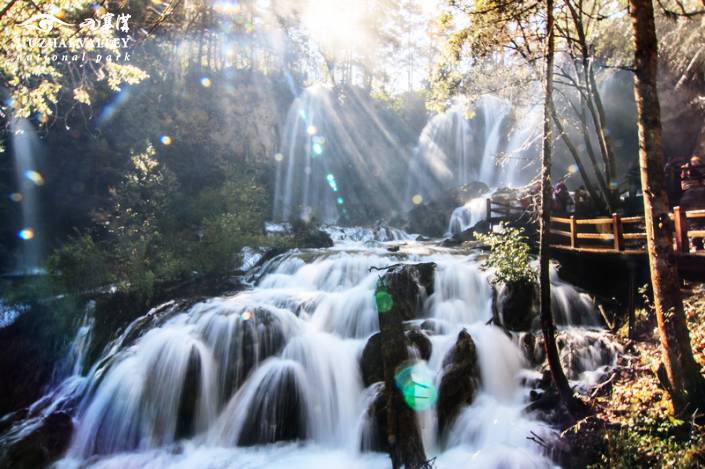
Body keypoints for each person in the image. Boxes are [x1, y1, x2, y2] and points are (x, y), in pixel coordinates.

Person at [680, 155, 705, 249]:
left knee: (697, 224)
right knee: (695, 225)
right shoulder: (687, 170)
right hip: (691, 197)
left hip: (694, 197)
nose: (695, 164)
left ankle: (697, 244)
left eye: (697, 162)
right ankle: (696, 244)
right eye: (693, 162)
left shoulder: (698, 171)